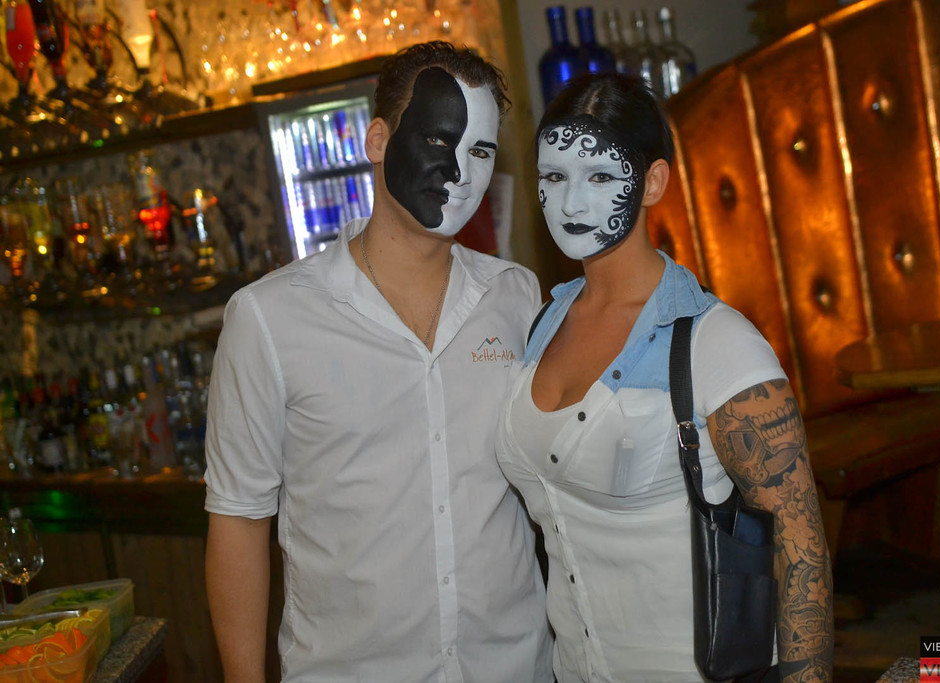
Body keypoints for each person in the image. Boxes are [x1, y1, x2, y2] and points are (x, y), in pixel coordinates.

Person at [204, 41, 553, 682]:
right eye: (438, 139)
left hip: (515, 666)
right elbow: (238, 520)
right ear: (377, 140)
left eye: (481, 151)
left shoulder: (516, 296)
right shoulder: (268, 318)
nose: (460, 172)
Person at [496, 72, 834, 682]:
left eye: (600, 177)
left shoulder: (716, 343)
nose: (572, 203)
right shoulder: (541, 323)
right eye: (555, 177)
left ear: (653, 182)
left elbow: (801, 551)